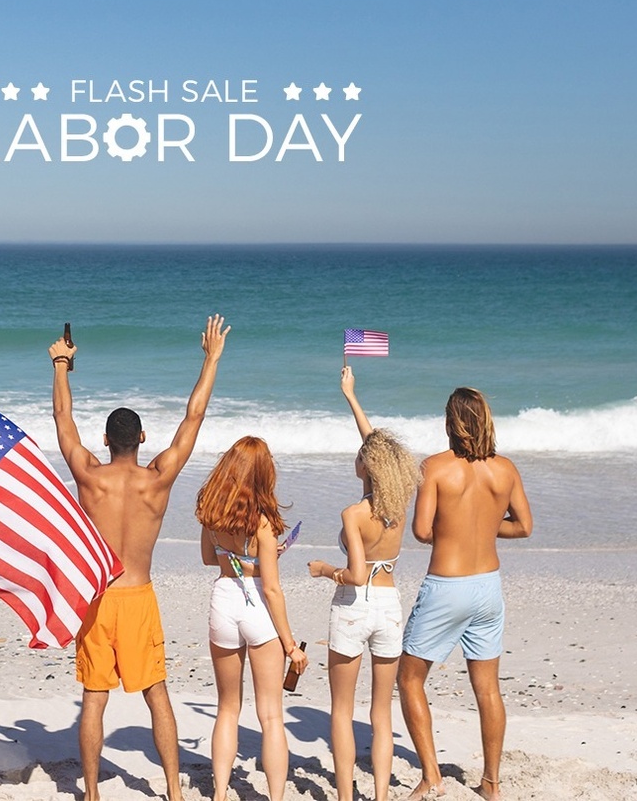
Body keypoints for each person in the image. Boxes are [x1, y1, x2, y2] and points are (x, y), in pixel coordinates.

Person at [49, 315, 228, 801]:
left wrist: (61, 364)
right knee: (157, 695)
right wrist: (211, 358)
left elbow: (63, 421)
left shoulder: (90, 475)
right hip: (139, 597)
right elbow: (193, 418)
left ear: (105, 441)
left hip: (99, 598)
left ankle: (91, 792)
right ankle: (172, 788)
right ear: (142, 440)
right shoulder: (157, 479)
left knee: (93, 698)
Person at [397, 388, 533, 801]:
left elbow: (421, 531)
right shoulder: (505, 470)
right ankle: (491, 783)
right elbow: (523, 526)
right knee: (488, 688)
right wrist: (484, 526)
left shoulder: (435, 468)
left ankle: (432, 776)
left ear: (450, 422)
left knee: (409, 679)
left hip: (447, 586)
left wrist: (454, 528)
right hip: (488, 586)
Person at [307, 366, 420, 801]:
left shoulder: (354, 515)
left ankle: (343, 796)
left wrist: (322, 570)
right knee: (381, 711)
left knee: (341, 709)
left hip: (355, 605)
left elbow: (354, 574)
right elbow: (378, 448)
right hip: (390, 605)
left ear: (365, 466)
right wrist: (352, 397)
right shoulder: (401, 500)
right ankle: (383, 795)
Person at [196, 435, 309, 801]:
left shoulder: (210, 512)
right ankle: (275, 797)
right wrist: (291, 645)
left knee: (227, 708)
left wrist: (248, 556)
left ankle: (220, 793)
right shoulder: (263, 521)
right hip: (256, 603)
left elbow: (209, 559)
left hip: (224, 599)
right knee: (271, 715)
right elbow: (272, 589)